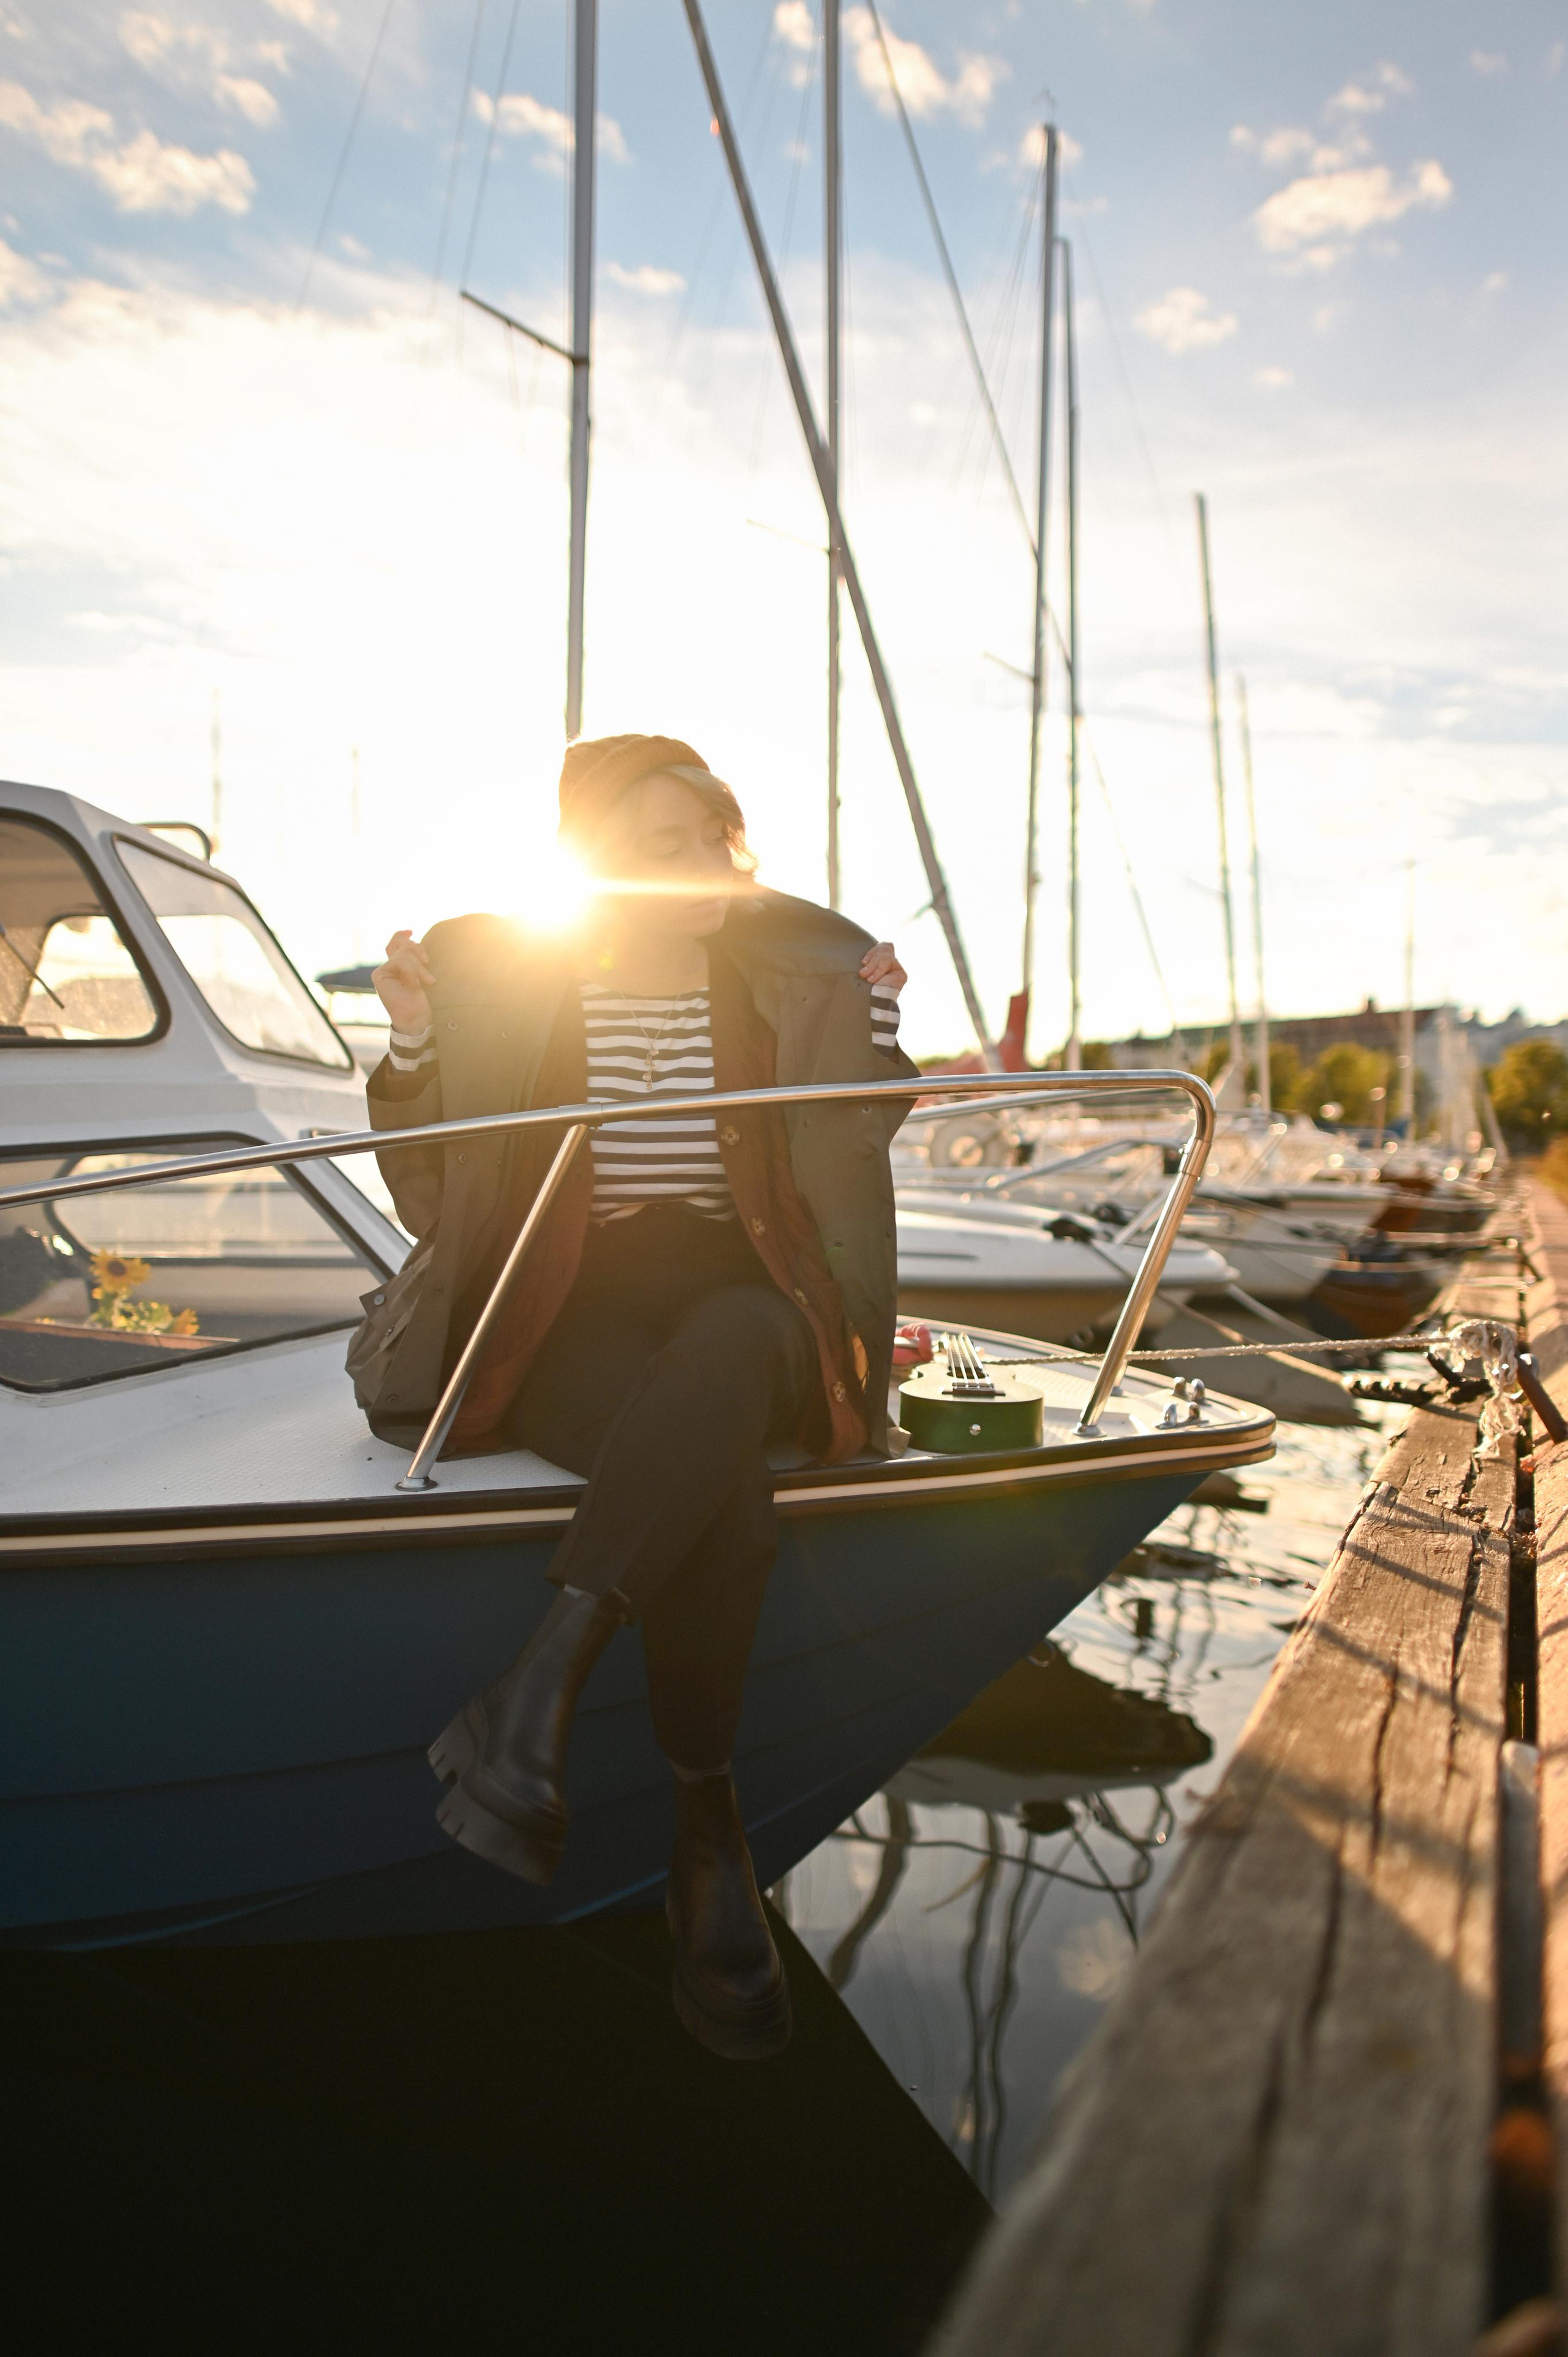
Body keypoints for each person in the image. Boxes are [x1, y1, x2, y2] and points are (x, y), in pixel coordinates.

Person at [355, 733, 917, 2057]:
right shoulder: (531, 992)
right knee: (708, 1477)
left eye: (716, 834)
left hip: (751, 1292)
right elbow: (435, 1193)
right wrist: (417, 1035)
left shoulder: (783, 974)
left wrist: (873, 1025)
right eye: (663, 844)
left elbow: (845, 1152)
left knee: (724, 1352)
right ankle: (705, 1829)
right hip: (578, 1308)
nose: (706, 864)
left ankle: (537, 1688)